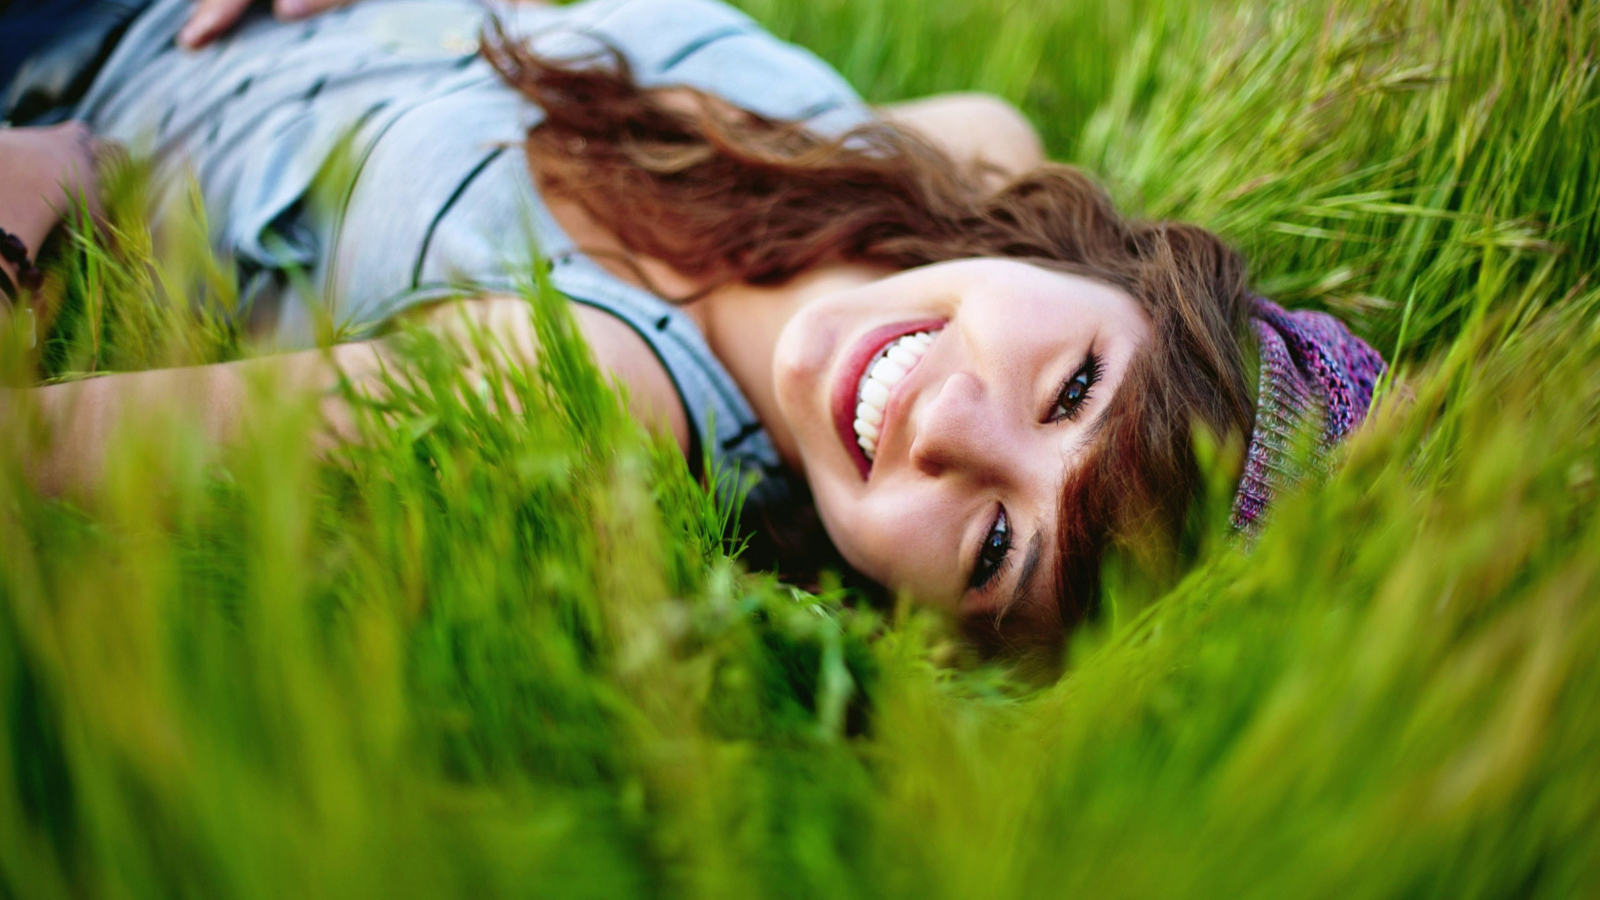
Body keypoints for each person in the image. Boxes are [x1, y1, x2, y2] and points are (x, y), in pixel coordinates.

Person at [0, 0, 1386, 654]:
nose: (947, 426)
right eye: (1076, 386)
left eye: (996, 546)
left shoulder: (590, 389)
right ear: (1119, 275)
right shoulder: (955, 154)